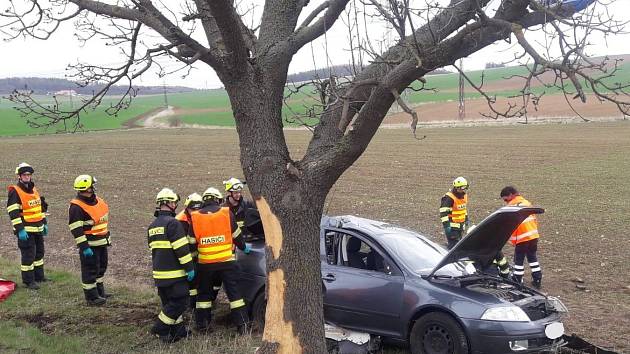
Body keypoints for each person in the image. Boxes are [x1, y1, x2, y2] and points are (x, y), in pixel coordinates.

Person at [191, 186, 252, 334]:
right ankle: (243, 326)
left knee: (204, 296)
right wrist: (244, 248)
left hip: (205, 265)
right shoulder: (226, 213)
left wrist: (193, 262)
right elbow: (236, 235)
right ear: (218, 200)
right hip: (227, 262)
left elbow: (191, 243)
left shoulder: (195, 217)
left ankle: (203, 326)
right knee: (235, 295)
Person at [148, 188, 195, 343]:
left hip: (160, 275)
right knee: (180, 302)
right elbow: (182, 249)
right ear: (168, 203)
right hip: (174, 274)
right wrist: (189, 268)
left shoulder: (152, 226)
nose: (176, 205)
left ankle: (178, 332)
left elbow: (153, 250)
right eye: (174, 202)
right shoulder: (173, 224)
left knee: (169, 303)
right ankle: (160, 328)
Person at [68, 175, 111, 305]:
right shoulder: (77, 207)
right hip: (90, 245)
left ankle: (100, 292)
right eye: (92, 185)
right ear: (87, 188)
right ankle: (91, 298)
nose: (94, 187)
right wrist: (84, 247)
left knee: (101, 268)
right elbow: (76, 229)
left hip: (102, 242)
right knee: (90, 271)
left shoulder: (97, 200)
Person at [6, 163, 49, 289]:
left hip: (38, 227)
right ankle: (28, 281)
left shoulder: (33, 189)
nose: (27, 177)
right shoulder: (15, 191)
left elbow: (39, 207)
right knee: (28, 255)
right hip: (26, 230)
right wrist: (20, 230)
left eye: (29, 175)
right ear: (19, 176)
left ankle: (39, 277)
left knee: (39, 254)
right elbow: (13, 212)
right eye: (24, 175)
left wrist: (44, 223)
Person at [500, 186, 543, 289]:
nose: (505, 201)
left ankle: (518, 280)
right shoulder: (526, 203)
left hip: (522, 237)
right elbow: (534, 219)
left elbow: (508, 224)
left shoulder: (511, 207)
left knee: (518, 260)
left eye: (505, 199)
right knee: (532, 257)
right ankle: (537, 279)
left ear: (511, 195)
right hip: (533, 236)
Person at [175, 193, 203, 309]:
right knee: (191, 285)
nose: (195, 212)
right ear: (187, 208)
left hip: (198, 256)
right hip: (186, 257)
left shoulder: (201, 216)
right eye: (193, 209)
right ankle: (191, 306)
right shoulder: (180, 221)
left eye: (198, 209)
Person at [439, 177, 469, 250]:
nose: (463, 190)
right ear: (456, 187)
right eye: (462, 188)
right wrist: (447, 226)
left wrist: (466, 218)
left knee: (457, 246)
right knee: (454, 247)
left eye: (465, 187)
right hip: (452, 228)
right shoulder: (449, 198)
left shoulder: (464, 196)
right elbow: (443, 213)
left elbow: (463, 209)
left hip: (461, 227)